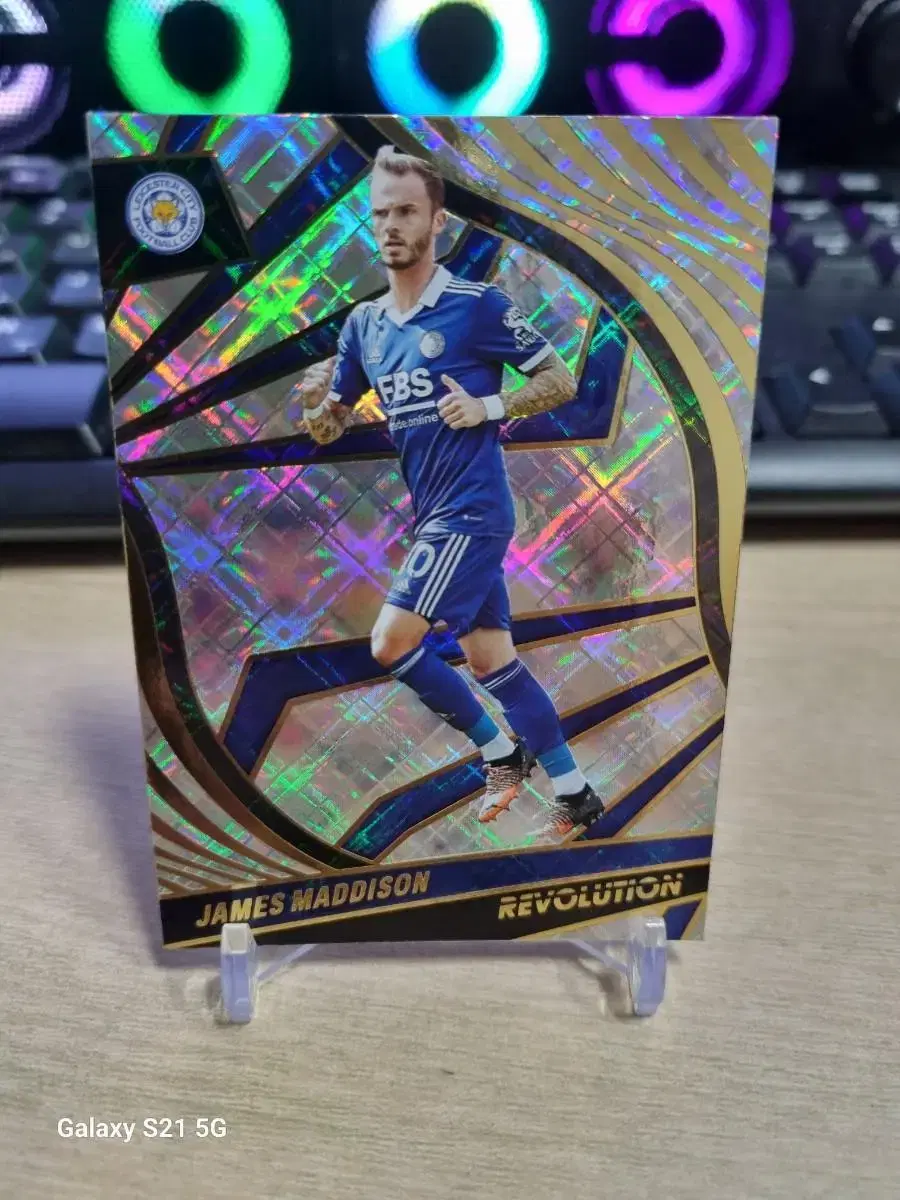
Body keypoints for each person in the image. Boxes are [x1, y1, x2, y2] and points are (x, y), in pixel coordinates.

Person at [300, 145, 604, 836]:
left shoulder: (475, 307)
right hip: (434, 514)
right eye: (381, 213)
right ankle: (576, 792)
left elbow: (559, 379)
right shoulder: (365, 325)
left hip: (472, 513)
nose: (391, 225)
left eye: (406, 212)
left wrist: (488, 407)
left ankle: (500, 753)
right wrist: (316, 400)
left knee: (389, 643)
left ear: (437, 221)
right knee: (493, 661)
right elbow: (328, 428)